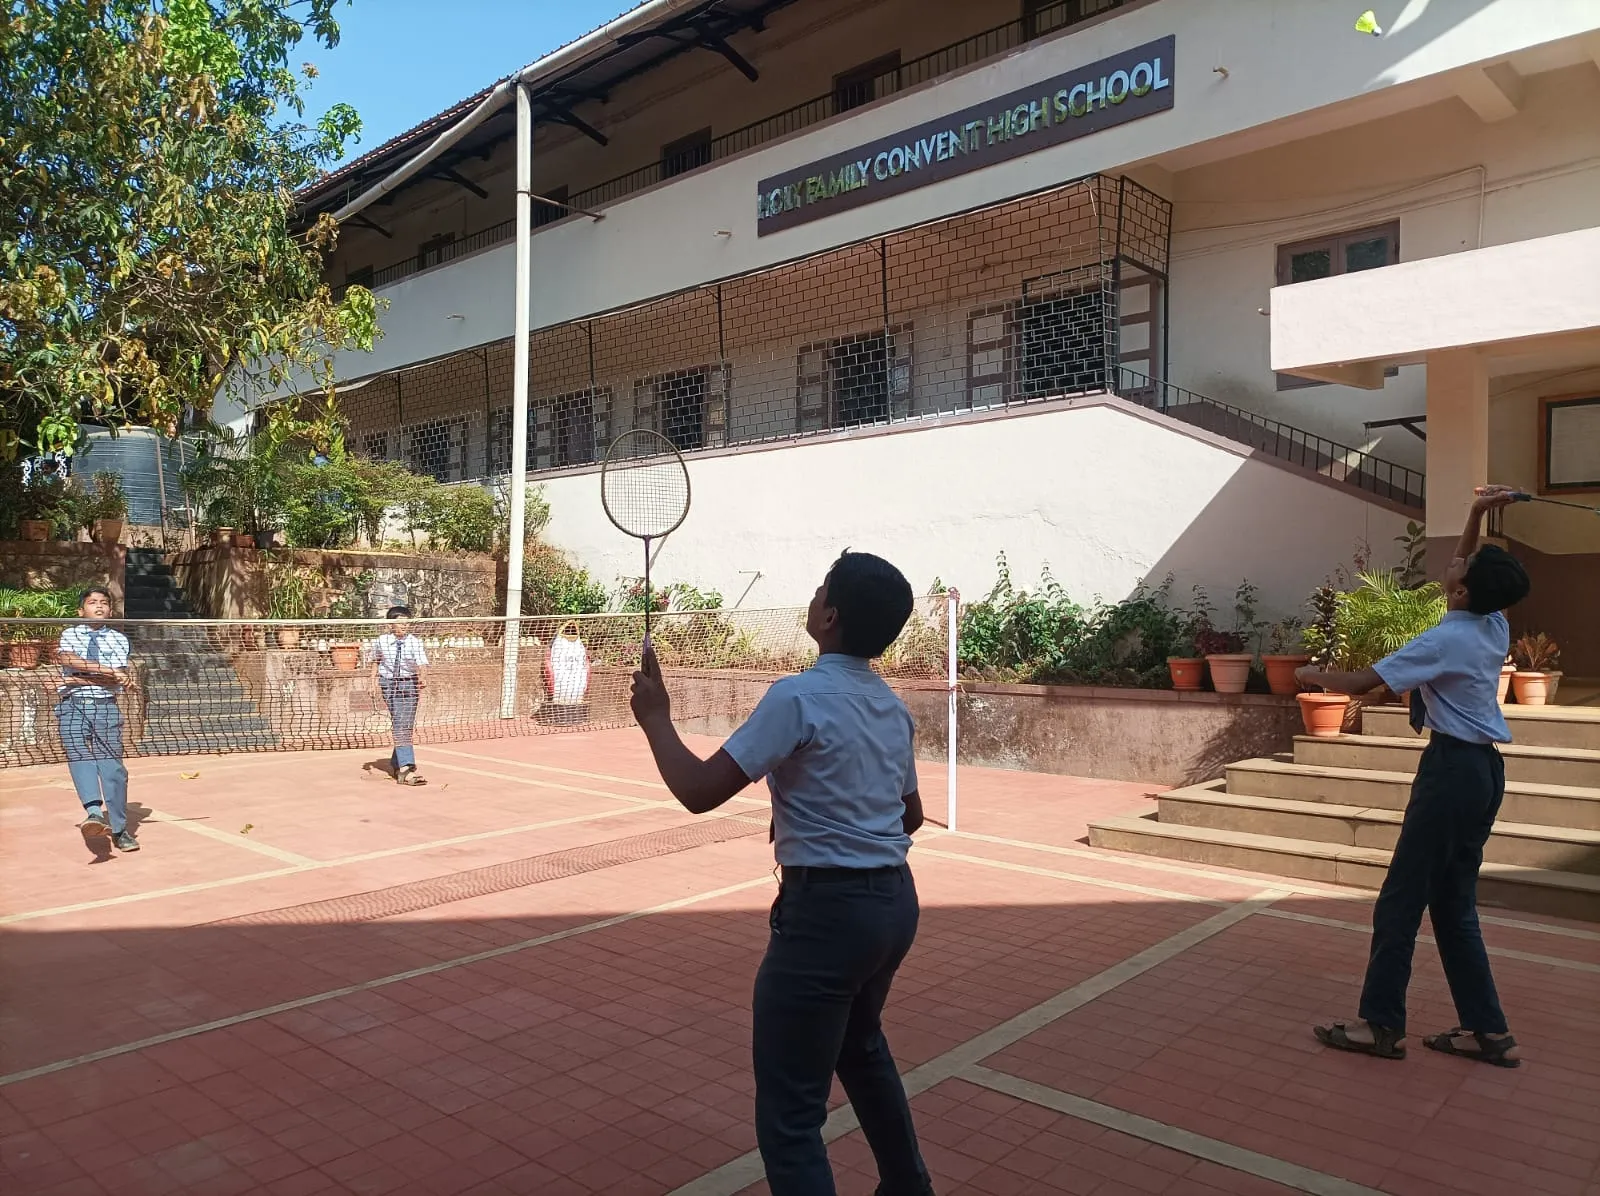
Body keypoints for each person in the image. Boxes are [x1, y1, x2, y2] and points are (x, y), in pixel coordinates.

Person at [630, 550, 935, 1196]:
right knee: (861, 1045)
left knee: (791, 1118)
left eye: (822, 586)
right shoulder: (891, 706)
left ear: (829, 615)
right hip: (893, 905)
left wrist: (656, 719)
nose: (815, 592)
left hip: (826, 918)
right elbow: (908, 816)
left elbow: (699, 789)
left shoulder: (797, 697)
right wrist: (821, 818)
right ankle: (909, 1186)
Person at [1298, 484, 1530, 1068]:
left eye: (1462, 565)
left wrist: (1311, 670)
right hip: (1482, 774)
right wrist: (1477, 510)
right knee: (1453, 906)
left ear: (1460, 589)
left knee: (1400, 900)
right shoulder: (1490, 623)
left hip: (1451, 772)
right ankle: (1488, 1032)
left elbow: (1359, 685)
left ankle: (1379, 1025)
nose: (1455, 558)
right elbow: (1470, 572)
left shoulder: (1445, 637)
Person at [54, 587, 139, 852]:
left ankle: (119, 829)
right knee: (79, 757)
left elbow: (118, 680)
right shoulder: (70, 634)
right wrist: (107, 671)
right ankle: (93, 812)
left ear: (110, 611)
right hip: (72, 706)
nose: (98, 606)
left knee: (113, 769)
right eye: (92, 602)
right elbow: (70, 659)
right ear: (82, 610)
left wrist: (71, 679)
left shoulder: (118, 639)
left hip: (105, 707)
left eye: (104, 603)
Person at [369, 606, 428, 785]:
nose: (404, 625)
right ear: (390, 624)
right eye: (399, 621)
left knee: (404, 725)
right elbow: (375, 660)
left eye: (406, 621)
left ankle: (396, 763)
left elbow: (422, 663)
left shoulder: (414, 642)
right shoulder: (382, 641)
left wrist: (422, 678)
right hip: (389, 684)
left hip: (409, 683)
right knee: (401, 723)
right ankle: (406, 768)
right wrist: (372, 681)